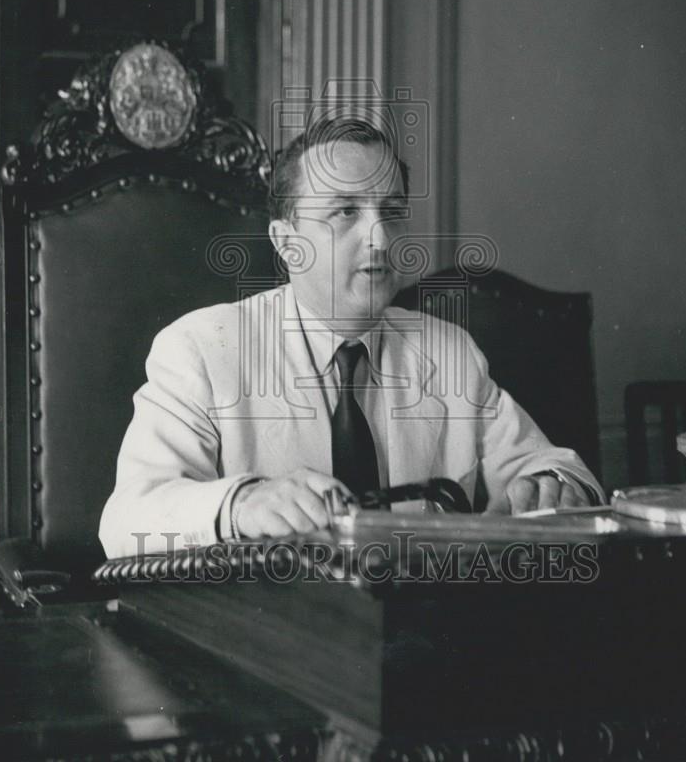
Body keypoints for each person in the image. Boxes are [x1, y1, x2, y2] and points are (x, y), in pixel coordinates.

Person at [99, 117, 604, 558]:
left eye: (391, 212)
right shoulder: (202, 349)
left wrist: (551, 487)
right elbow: (125, 521)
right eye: (345, 212)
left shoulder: (449, 352)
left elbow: (547, 467)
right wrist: (241, 504)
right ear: (287, 244)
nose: (380, 239)